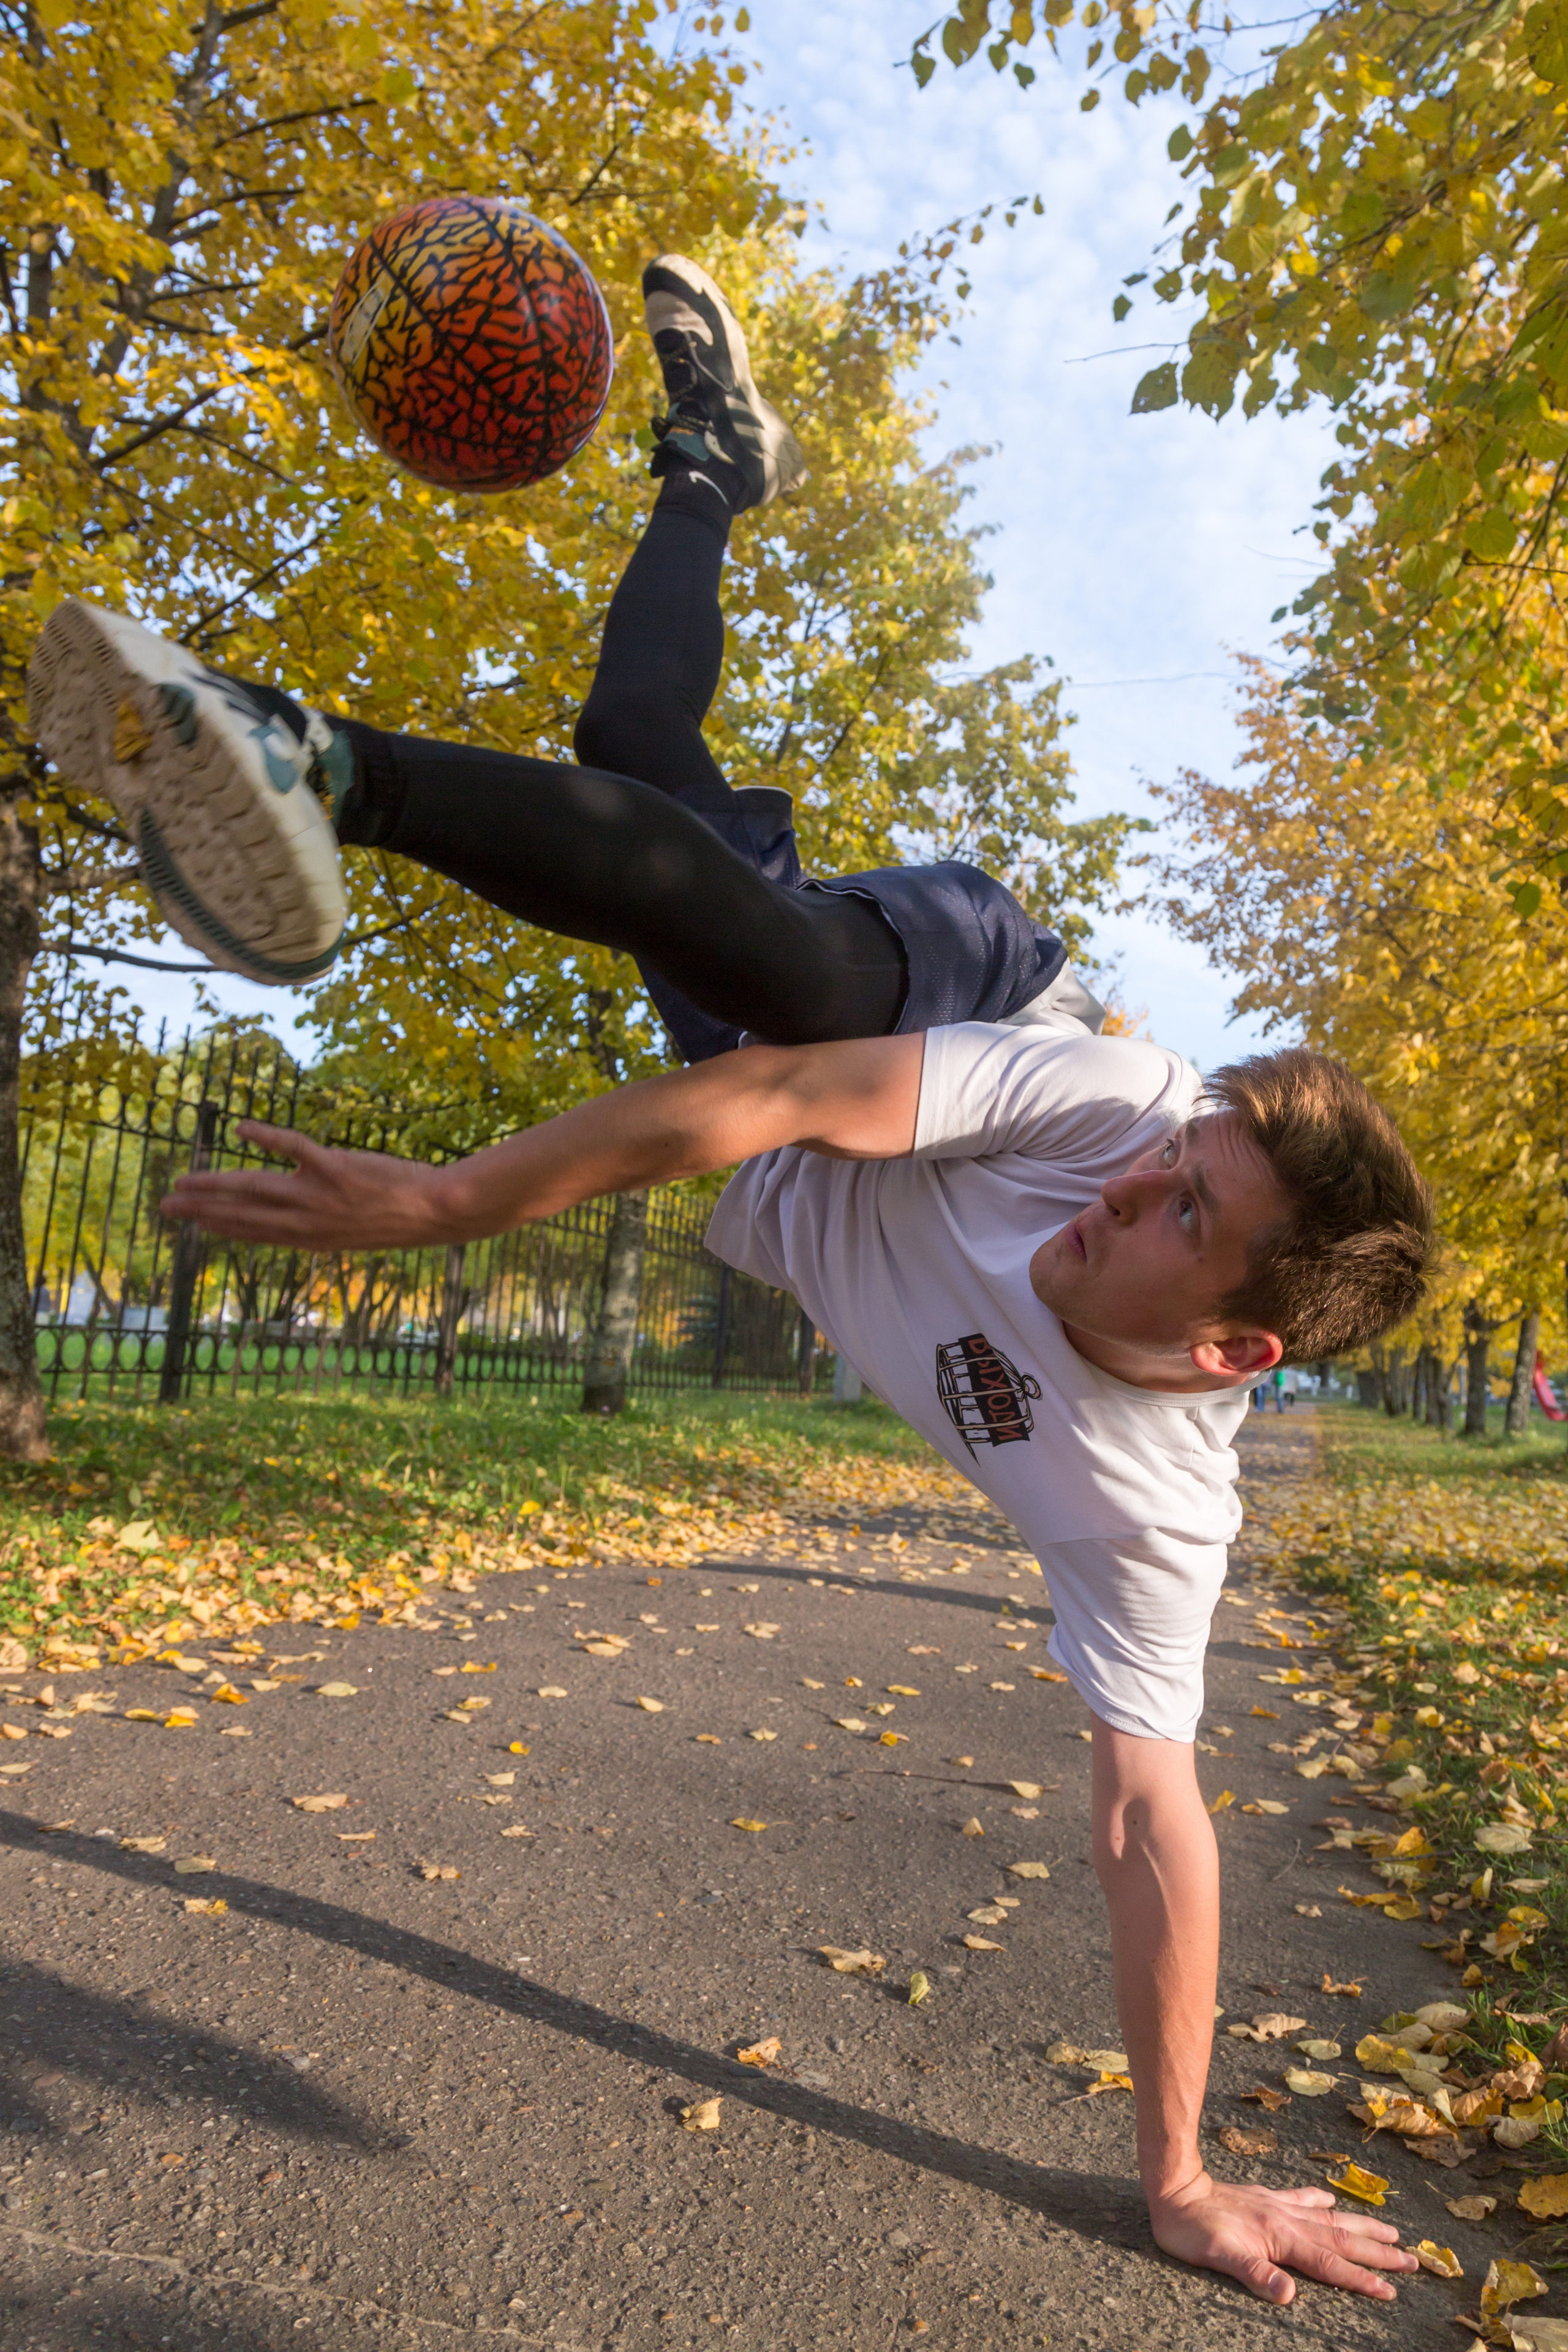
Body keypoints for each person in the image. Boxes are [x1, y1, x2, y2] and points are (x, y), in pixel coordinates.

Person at [28, 256, 1433, 2309]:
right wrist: (446, 1208)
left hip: (770, 1069)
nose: (1134, 1185)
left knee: (628, 743)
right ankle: (320, 757)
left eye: (1179, 1215)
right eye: (1177, 1157)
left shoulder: (1156, 1517)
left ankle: (709, 462)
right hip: (939, 987)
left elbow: (1152, 1823)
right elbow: (786, 1083)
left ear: (1230, 1343)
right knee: (777, 988)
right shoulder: (1096, 1096)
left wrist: (1182, 2172)